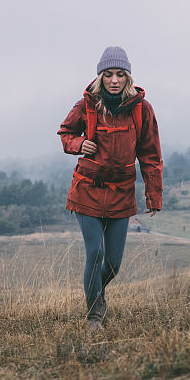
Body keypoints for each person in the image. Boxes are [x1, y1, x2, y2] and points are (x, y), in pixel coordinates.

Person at [58, 46, 163, 330]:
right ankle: (94, 315)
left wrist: (153, 194)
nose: (114, 80)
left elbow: (151, 155)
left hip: (121, 193)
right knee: (95, 253)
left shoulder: (142, 109)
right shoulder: (86, 105)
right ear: (100, 77)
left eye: (120, 74)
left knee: (113, 264)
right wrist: (78, 144)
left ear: (128, 77)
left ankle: (97, 292)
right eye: (108, 75)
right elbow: (65, 133)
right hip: (87, 189)